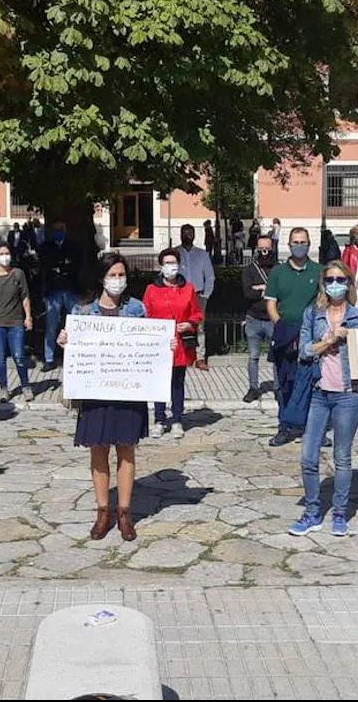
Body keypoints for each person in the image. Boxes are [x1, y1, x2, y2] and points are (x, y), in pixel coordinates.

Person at [58, 254, 157, 542]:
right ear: (102, 278)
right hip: (95, 390)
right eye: (113, 275)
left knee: (126, 449)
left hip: (128, 390)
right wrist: (64, 342)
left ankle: (125, 513)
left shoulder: (137, 308)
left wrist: (165, 343)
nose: (118, 280)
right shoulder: (83, 311)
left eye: (121, 275)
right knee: (98, 449)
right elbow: (72, 349)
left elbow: (149, 344)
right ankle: (103, 512)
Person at [288, 261, 358, 537]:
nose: (335, 284)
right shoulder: (313, 315)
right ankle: (312, 512)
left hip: (347, 396)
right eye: (330, 279)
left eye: (340, 279)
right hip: (318, 393)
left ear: (349, 283)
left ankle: (339, 513)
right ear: (323, 284)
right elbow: (303, 350)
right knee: (308, 456)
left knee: (342, 457)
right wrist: (327, 341)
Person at [265, 227, 323, 446]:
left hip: (311, 334)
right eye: (295, 242)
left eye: (303, 242)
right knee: (284, 384)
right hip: (285, 333)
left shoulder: (319, 271)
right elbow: (271, 304)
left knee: (311, 383)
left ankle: (312, 430)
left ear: (309, 244)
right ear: (289, 245)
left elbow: (323, 301)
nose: (300, 245)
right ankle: (285, 426)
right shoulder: (278, 273)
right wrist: (282, 329)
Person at [143, 248, 203, 440]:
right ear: (161, 266)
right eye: (167, 263)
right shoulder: (152, 290)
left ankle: (177, 419)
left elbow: (197, 313)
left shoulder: (188, 288)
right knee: (159, 383)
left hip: (180, 345)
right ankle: (159, 420)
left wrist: (190, 323)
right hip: (159, 344)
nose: (171, 267)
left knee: (177, 383)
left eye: (174, 263)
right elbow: (145, 314)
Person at [0, 242, 34, 402]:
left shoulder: (18, 274)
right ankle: (3, 388)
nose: (5, 257)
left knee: (19, 356)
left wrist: (28, 316)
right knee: (0, 357)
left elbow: (25, 296)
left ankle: (26, 386)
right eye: (2, 254)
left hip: (16, 322)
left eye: (7, 253)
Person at [37, 220, 82, 372]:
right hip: (53, 291)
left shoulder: (74, 246)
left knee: (74, 324)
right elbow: (44, 268)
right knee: (51, 326)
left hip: (71, 290)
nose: (58, 232)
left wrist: (62, 268)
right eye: (56, 229)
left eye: (61, 229)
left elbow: (77, 266)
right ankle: (49, 358)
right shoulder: (46, 247)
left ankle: (75, 356)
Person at [242, 235, 278, 403]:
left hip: (273, 319)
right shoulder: (250, 270)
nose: (264, 252)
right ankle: (253, 387)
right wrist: (265, 290)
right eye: (260, 249)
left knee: (277, 355)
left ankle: (278, 387)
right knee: (253, 356)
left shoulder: (279, 269)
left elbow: (281, 293)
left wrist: (261, 289)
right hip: (253, 319)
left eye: (267, 249)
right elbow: (247, 293)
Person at [176, 224, 215, 371]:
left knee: (199, 326)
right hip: (179, 294)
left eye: (190, 233)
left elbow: (210, 276)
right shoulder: (176, 253)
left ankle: (200, 357)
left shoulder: (202, 254)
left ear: (194, 235)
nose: (187, 236)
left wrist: (206, 294)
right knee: (181, 325)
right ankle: (184, 355)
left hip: (198, 294)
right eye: (185, 233)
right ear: (180, 234)